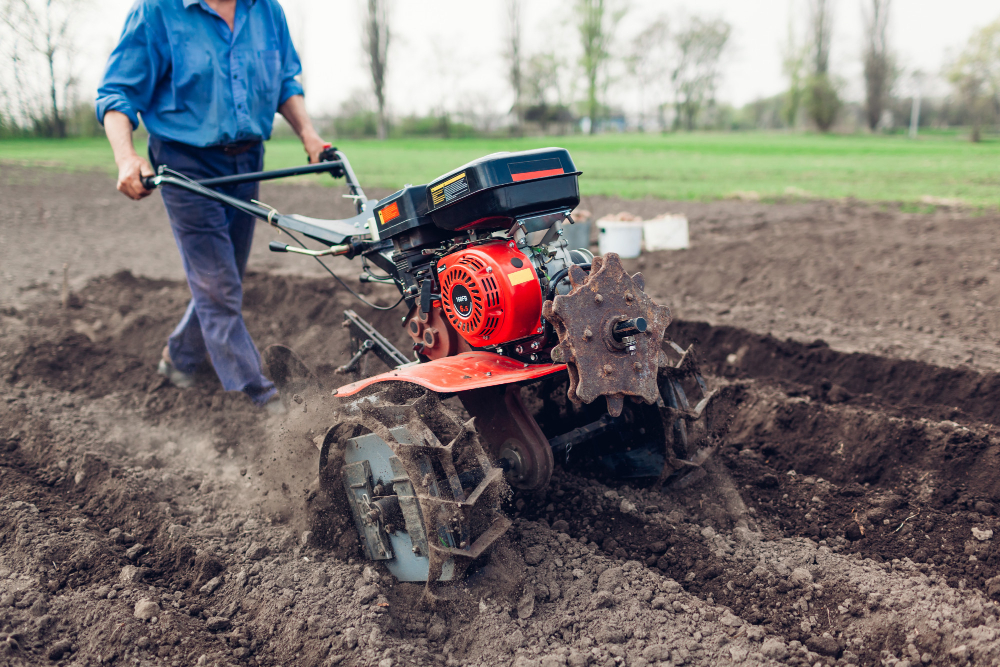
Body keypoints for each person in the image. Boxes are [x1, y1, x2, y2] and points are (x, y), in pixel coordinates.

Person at [96, 0, 327, 413]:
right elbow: (117, 93)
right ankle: (259, 399)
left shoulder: (267, 11)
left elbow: (285, 82)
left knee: (225, 275)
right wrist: (126, 157)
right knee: (217, 285)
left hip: (247, 160)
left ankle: (179, 357)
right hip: (186, 163)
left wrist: (309, 136)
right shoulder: (158, 11)